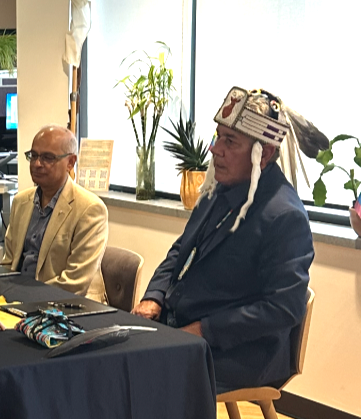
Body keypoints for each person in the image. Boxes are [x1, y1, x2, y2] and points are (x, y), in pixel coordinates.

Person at [132, 87, 326, 393]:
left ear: (266, 153)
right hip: (184, 326)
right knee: (112, 354)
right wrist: (153, 296)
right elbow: (181, 251)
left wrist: (203, 330)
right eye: (218, 136)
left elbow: (283, 308)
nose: (215, 149)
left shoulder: (284, 216)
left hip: (243, 352)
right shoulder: (218, 191)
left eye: (230, 141)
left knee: (142, 376)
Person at [0, 125, 108, 301]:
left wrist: (25, 297)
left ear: (71, 162)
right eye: (33, 156)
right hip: (18, 299)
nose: (36, 164)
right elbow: (9, 263)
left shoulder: (90, 209)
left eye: (47, 158)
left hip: (69, 305)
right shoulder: (21, 202)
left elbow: (75, 283)